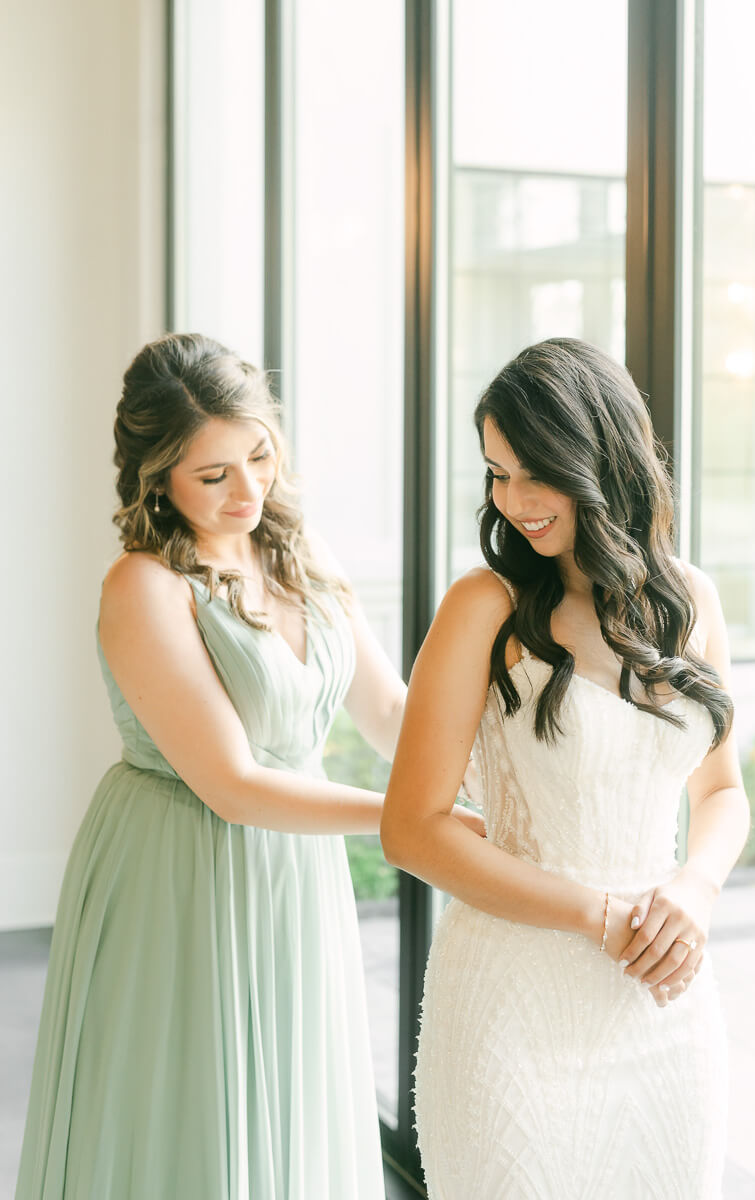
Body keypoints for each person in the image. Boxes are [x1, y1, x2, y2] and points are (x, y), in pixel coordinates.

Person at [16, 332, 481, 1200]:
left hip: (299, 865)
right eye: (213, 475)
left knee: (293, 1089)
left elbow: (390, 712)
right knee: (187, 1108)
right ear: (157, 476)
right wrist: (410, 820)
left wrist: (494, 784)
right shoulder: (143, 586)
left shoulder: (303, 554)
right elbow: (231, 786)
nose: (248, 491)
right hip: (182, 866)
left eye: (259, 456)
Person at [381, 338, 750, 1199]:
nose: (513, 502)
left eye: (532, 472)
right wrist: (598, 913)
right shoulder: (486, 606)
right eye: (496, 474)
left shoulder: (692, 600)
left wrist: (694, 890)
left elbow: (723, 790)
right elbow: (411, 828)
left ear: (597, 456)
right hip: (513, 1005)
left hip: (662, 1000)